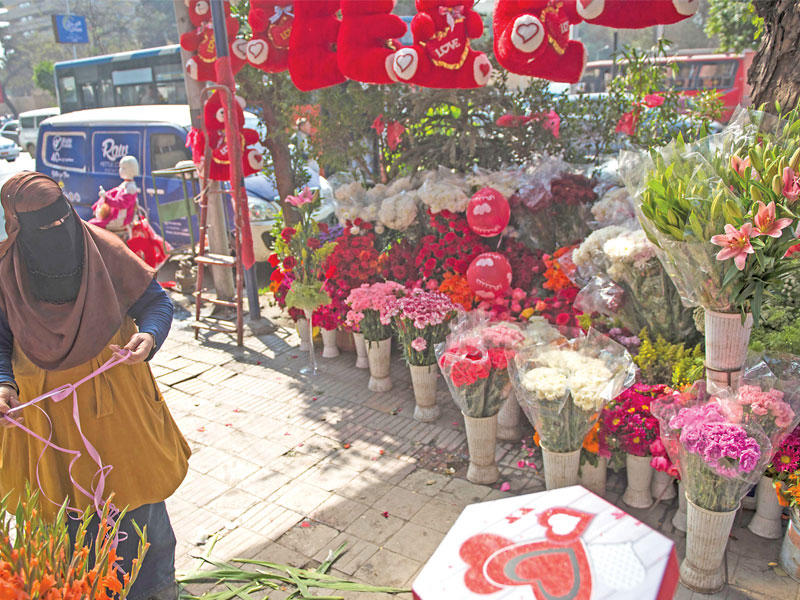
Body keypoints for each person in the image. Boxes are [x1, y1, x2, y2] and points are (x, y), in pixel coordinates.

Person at [0, 172, 190, 600]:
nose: (56, 231)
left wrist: (150, 335)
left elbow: (155, 301)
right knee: (62, 516)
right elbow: (1, 339)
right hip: (44, 416)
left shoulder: (103, 249)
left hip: (116, 405)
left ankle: (156, 589)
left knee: (137, 501)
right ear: (17, 226)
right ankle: (81, 590)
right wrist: (3, 382)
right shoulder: (6, 271)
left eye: (60, 218)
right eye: (41, 226)